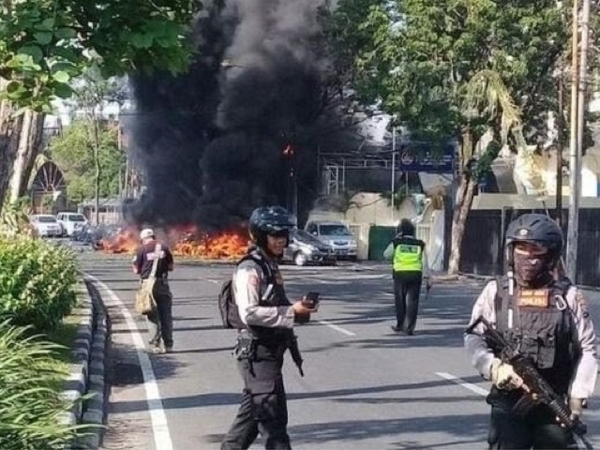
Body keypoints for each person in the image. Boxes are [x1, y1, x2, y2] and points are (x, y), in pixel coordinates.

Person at [464, 213, 598, 449]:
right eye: (521, 251)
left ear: (551, 257)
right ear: (511, 253)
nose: (528, 260)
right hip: (508, 402)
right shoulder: (497, 292)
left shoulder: (568, 297)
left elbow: (587, 348)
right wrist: (493, 367)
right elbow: (474, 336)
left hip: (553, 402)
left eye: (537, 253)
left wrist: (578, 395)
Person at [221, 206, 319, 450]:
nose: (281, 241)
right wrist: (290, 312)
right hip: (257, 356)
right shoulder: (249, 269)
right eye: (275, 235)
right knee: (274, 426)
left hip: (269, 356)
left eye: (283, 235)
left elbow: (279, 304)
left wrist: (301, 311)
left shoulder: (269, 266)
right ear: (260, 235)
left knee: (251, 421)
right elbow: (249, 312)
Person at [383, 218, 431, 335]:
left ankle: (400, 325)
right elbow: (425, 262)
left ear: (401, 231)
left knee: (400, 301)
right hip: (415, 275)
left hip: (400, 275)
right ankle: (409, 328)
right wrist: (428, 278)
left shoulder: (397, 242)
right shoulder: (420, 244)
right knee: (413, 302)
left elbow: (386, 255)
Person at [132, 228, 175, 354]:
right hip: (163, 284)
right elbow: (171, 267)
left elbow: (135, 270)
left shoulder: (141, 250)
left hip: (148, 285)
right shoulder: (164, 248)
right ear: (153, 237)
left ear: (143, 239)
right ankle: (169, 345)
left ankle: (155, 345)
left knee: (152, 314)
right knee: (166, 315)